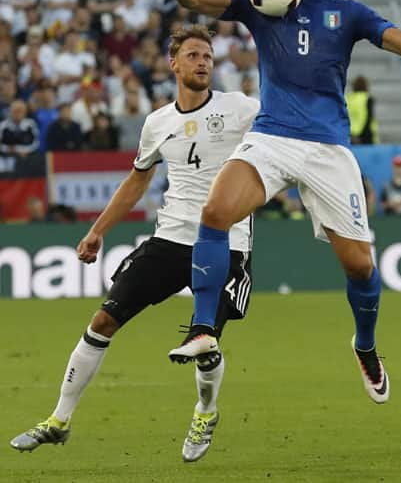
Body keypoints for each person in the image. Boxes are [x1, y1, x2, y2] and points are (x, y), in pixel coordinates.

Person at [153, 0, 401, 407]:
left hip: (328, 150)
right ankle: (204, 327)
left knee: (359, 266)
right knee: (216, 212)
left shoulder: (347, 14)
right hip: (270, 137)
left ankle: (366, 345)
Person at [10, 25, 260, 463]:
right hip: (169, 239)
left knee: (205, 344)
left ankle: (206, 410)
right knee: (103, 321)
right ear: (173, 63)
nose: (204, 62)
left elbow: (284, 131)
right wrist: (97, 230)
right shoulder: (157, 122)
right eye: (195, 55)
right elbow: (137, 180)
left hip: (227, 242)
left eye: (208, 56)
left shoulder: (240, 108)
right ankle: (59, 420)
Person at [345, 75, 379, 145]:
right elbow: (368, 118)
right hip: (365, 136)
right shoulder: (368, 98)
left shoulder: (347, 98)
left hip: (348, 135)